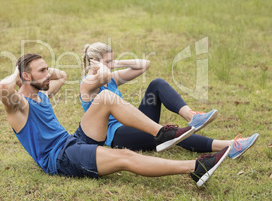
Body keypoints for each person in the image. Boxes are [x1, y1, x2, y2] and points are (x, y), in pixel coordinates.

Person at [0, 53, 231, 187]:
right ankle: (196, 168)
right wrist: (18, 74)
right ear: (26, 77)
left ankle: (162, 134)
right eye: (42, 71)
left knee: (106, 96)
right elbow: (1, 88)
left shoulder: (43, 96)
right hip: (60, 158)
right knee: (125, 157)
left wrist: (41, 72)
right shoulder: (20, 107)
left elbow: (63, 76)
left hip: (72, 141)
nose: (48, 75)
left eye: (47, 69)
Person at [80, 42, 259, 157]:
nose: (111, 65)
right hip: (118, 136)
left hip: (133, 122)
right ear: (95, 61)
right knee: (170, 134)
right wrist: (101, 67)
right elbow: (101, 77)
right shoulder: (87, 84)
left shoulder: (111, 77)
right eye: (108, 61)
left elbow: (144, 65)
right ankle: (229, 147)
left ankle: (192, 116)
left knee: (157, 84)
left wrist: (115, 63)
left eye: (112, 61)